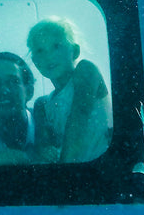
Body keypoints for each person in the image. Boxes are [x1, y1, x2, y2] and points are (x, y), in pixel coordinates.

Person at [27, 18, 112, 163]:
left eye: (56, 46)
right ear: (35, 62)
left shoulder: (86, 70)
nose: (48, 55)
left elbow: (79, 117)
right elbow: (43, 145)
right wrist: (44, 151)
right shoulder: (42, 105)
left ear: (75, 51)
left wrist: (66, 171)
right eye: (40, 50)